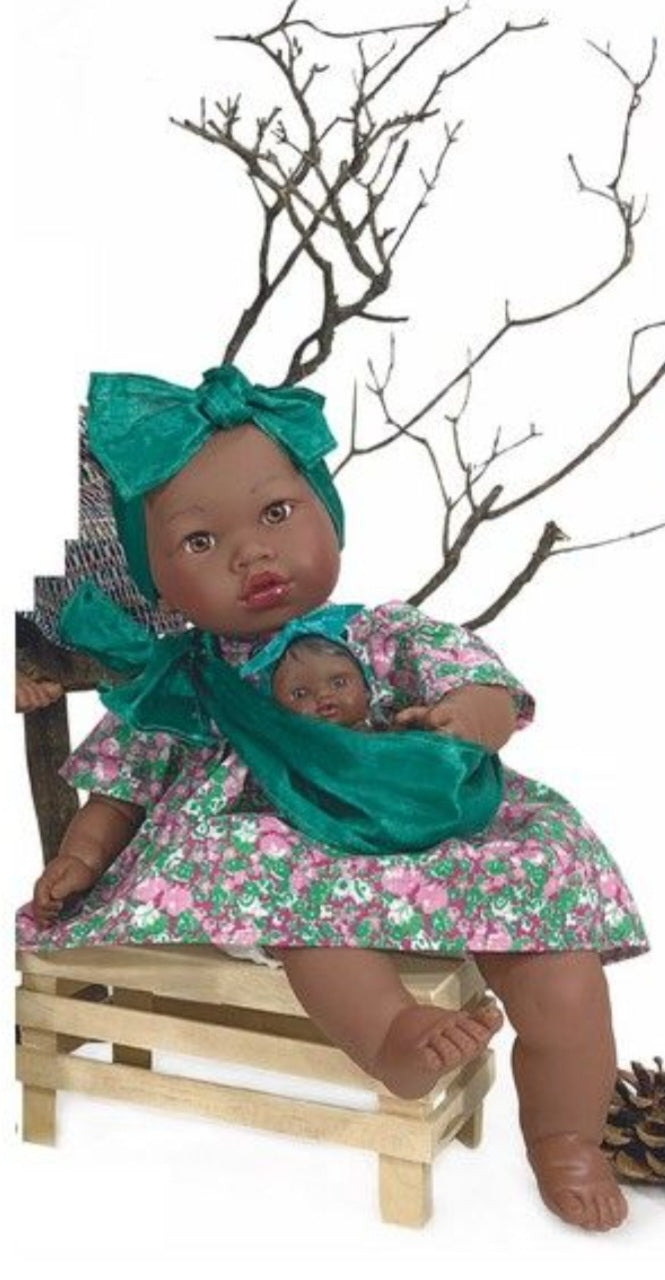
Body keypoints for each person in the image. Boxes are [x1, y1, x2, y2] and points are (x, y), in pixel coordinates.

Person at [17, 363, 648, 1233]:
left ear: (326, 513)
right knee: (293, 897)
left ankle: (566, 1137)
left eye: (276, 513)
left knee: (555, 949)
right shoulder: (187, 682)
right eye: (200, 541)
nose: (250, 553)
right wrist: (81, 856)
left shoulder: (384, 632)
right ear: (156, 581)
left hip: (433, 829)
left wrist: (467, 720)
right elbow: (122, 788)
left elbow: (483, 686)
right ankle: (391, 1037)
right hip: (299, 863)